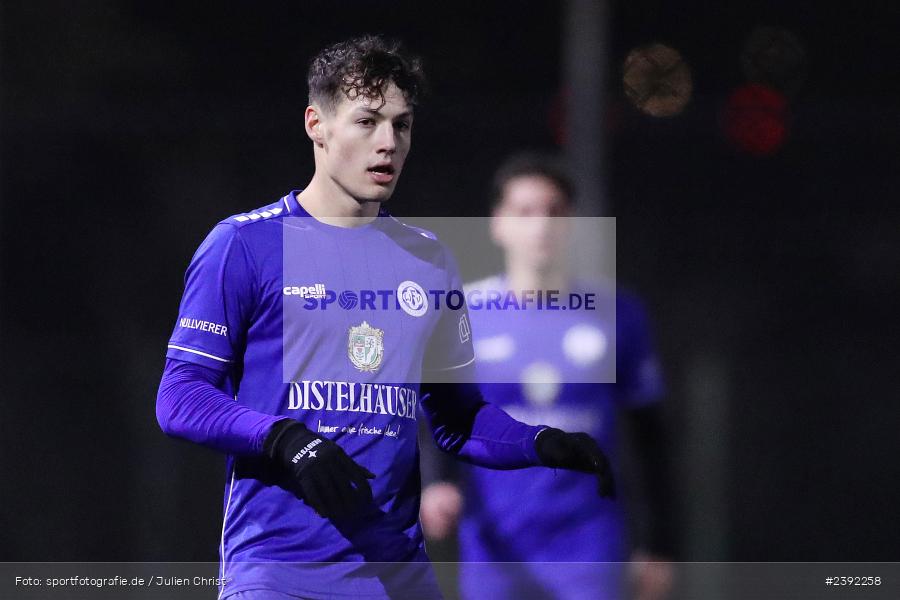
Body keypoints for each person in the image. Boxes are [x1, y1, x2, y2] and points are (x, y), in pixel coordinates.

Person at [156, 36, 615, 600]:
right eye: (367, 121)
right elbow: (179, 396)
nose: (387, 143)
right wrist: (282, 438)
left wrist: (539, 443)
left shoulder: (427, 260)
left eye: (401, 125)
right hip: (279, 574)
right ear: (315, 125)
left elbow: (456, 419)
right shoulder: (243, 245)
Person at [419, 153, 676, 600]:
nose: (541, 226)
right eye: (525, 212)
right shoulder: (463, 314)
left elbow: (650, 437)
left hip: (587, 540)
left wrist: (657, 543)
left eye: (554, 211)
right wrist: (436, 482)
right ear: (497, 224)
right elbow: (434, 415)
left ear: (572, 223)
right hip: (495, 540)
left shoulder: (618, 315)